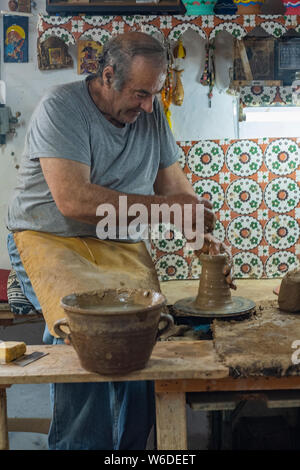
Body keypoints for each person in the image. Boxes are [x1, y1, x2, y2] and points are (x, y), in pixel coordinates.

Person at [6, 31, 234, 450]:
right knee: (90, 337)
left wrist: (198, 230)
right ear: (108, 75)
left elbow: (173, 186)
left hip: (118, 241)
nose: (148, 106)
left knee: (144, 334)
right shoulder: (62, 107)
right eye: (140, 93)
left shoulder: (150, 113)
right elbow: (73, 199)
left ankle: (127, 453)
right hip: (51, 238)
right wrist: (170, 211)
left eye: (155, 94)